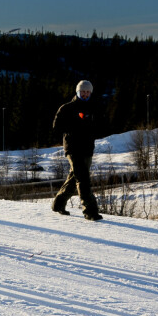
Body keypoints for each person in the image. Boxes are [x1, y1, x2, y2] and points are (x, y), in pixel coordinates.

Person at [52, 80, 103, 221]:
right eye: (83, 91)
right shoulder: (67, 108)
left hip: (87, 149)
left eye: (87, 92)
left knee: (75, 177)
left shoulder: (94, 108)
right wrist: (73, 129)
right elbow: (57, 127)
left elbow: (101, 126)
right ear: (77, 92)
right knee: (83, 179)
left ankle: (58, 204)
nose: (85, 94)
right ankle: (90, 211)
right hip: (73, 149)